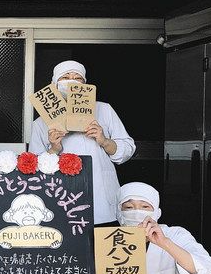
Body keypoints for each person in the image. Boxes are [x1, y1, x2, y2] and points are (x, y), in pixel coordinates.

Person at [29, 60, 136, 225]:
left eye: (77, 78)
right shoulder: (40, 123)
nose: (71, 81)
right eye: (65, 77)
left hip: (101, 196)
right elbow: (34, 167)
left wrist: (104, 141)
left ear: (85, 84)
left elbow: (128, 149)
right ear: (54, 84)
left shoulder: (104, 110)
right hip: (61, 196)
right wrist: (54, 148)